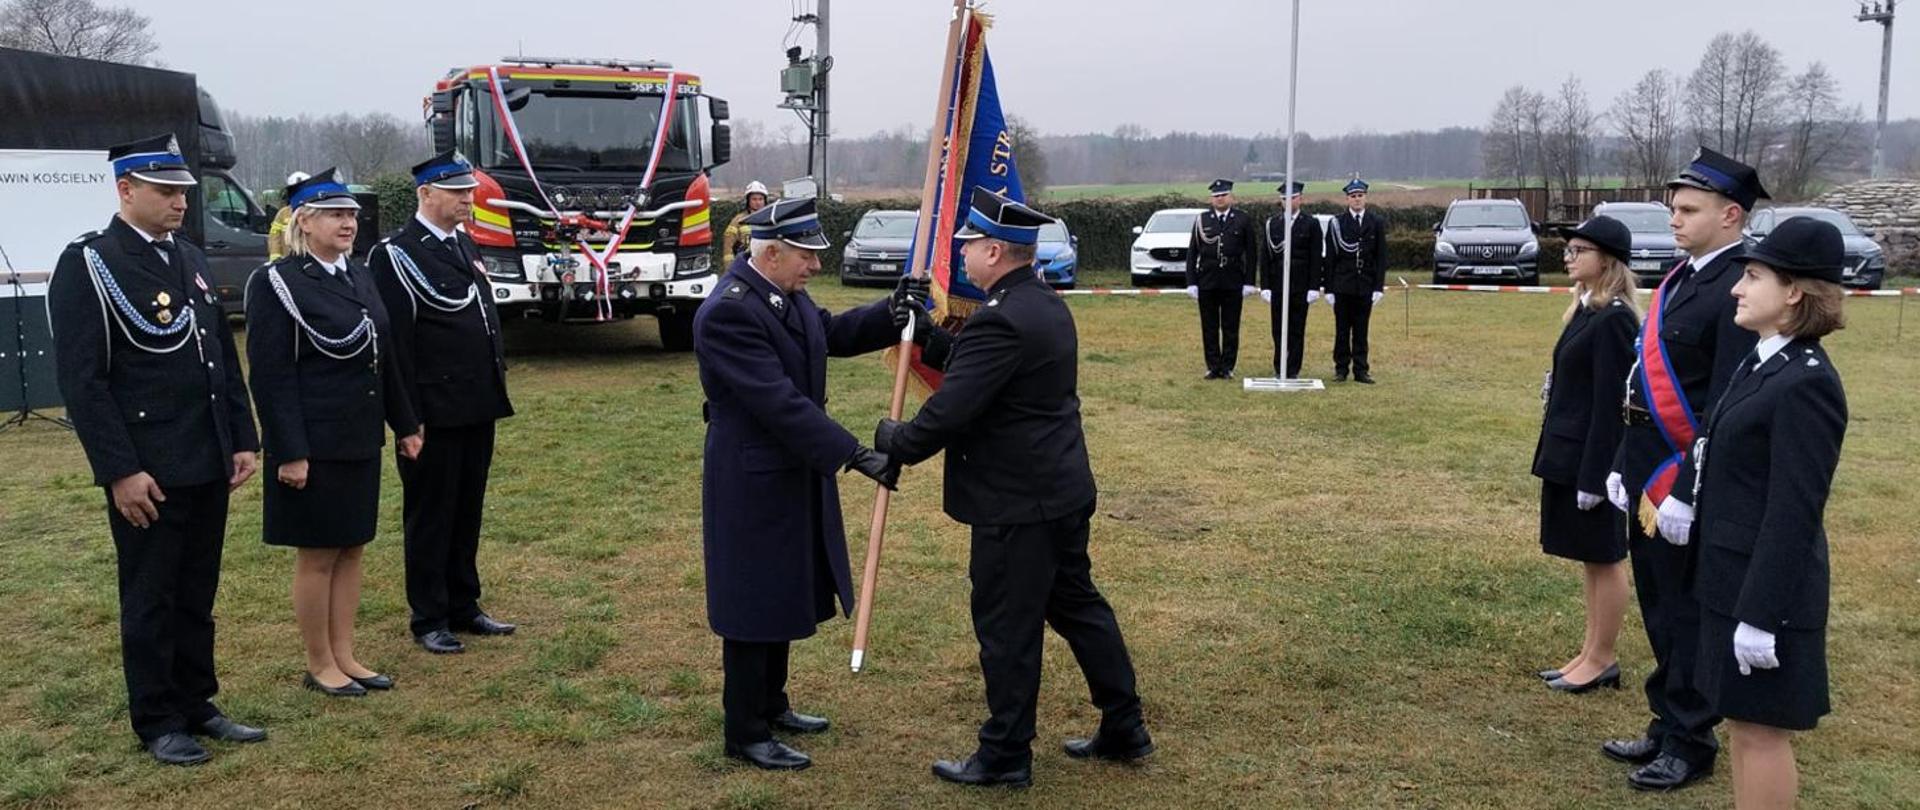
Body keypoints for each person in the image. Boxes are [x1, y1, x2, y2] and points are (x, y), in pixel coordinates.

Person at [876, 189, 1150, 789]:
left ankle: (1004, 754)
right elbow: (988, 366)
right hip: (1060, 490)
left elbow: (951, 411)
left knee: (1008, 627)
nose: (964, 254)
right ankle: (1125, 725)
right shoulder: (1041, 304)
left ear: (995, 250)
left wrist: (894, 439)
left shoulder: (1001, 316)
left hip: (1018, 504)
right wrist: (926, 333)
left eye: (969, 245)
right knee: (1077, 605)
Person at [48, 133, 267, 765]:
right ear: (126, 190)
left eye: (182, 192)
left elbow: (220, 358)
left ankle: (199, 701)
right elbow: (84, 382)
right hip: (148, 465)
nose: (179, 202)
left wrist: (243, 438)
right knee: (151, 595)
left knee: (198, 591)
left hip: (205, 455)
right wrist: (120, 470)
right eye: (166, 191)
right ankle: (158, 717)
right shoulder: (91, 263)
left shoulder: (190, 258)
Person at [691, 196, 917, 771]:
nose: (816, 265)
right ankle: (744, 730)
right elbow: (778, 403)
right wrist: (854, 453)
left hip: (789, 469)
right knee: (751, 599)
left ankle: (773, 703)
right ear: (770, 252)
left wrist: (892, 310)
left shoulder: (782, 293)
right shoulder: (729, 311)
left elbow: (830, 333)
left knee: (784, 586)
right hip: (751, 477)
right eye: (806, 255)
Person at [1602, 147, 1767, 792]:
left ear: (1731, 215)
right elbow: (1645, 377)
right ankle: (1665, 717)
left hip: (1687, 470)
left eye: (1688, 209)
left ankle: (1691, 736)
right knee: (1658, 600)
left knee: (1689, 608)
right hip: (1648, 459)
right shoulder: (1684, 276)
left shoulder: (1737, 286)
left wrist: (1689, 490)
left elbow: (1724, 401)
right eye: (1673, 207)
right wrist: (1623, 458)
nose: (1674, 218)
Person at [1687, 216, 1848, 809]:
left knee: (1761, 735)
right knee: (1742, 724)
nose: (1737, 287)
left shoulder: (1805, 384)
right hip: (1730, 576)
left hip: (1767, 593)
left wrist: (1761, 614)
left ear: (1795, 291)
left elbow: (1793, 512)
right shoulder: (1762, 360)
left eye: (1753, 276)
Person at [246, 169, 422, 698]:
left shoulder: (357, 273)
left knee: (352, 547)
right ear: (305, 221)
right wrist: (290, 451)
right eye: (335, 215)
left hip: (358, 435)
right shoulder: (278, 282)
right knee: (319, 554)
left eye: (351, 214)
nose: (349, 223)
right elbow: (271, 374)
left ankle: (346, 653)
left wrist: (405, 422)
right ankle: (319, 662)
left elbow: (382, 355)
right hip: (313, 442)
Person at [367, 150, 517, 656]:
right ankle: (428, 613)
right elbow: (396, 345)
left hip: (475, 401)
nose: (467, 200)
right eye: (456, 192)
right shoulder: (397, 254)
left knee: (467, 509)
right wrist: (407, 419)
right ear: (426, 193)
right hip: (432, 409)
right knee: (431, 513)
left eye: (469, 192)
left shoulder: (463, 244)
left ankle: (463, 602)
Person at [1530, 216, 1640, 694]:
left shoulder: (1615, 318)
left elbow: (1612, 406)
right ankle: (1589, 651)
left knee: (1605, 556)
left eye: (1579, 250)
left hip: (1591, 460)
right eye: (1569, 249)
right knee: (1589, 559)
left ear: (1607, 260)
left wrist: (1597, 477)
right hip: (1569, 451)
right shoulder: (1587, 309)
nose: (1569, 257)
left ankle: (1603, 658)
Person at [1184, 178, 1256, 379]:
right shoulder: (1202, 220)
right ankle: (1213, 366)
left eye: (1223, 195)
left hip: (1233, 280)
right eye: (1216, 196)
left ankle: (1228, 367)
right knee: (1209, 326)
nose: (1220, 199)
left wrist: (1249, 281)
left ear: (1231, 196)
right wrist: (1191, 282)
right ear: (1211, 199)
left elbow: (1251, 253)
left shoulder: (1242, 219)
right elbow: (1192, 253)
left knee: (1231, 326)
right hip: (1207, 280)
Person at [1322, 178, 1387, 383]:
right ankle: (1341, 369)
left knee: (1361, 329)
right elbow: (1330, 257)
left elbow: (1381, 257)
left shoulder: (1376, 222)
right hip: (1343, 285)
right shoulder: (1338, 223)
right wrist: (1329, 288)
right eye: (1353, 196)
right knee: (1342, 330)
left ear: (1365, 198)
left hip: (1365, 284)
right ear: (1347, 199)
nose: (1357, 200)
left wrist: (1378, 287)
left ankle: (1361, 370)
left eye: (1360, 196)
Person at [1257, 181, 1323, 379]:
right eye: (1285, 198)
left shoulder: (1311, 224)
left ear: (1301, 198)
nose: (1289, 201)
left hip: (1300, 284)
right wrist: (1265, 286)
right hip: (1278, 283)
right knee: (1277, 328)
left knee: (1296, 327)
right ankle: (1279, 366)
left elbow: (1315, 256)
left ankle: (1293, 368)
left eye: (1293, 197)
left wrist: (1314, 286)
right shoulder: (1273, 224)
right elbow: (1266, 256)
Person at [720, 180, 771, 259]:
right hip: (746, 263)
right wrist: (730, 267)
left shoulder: (771, 218)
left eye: (760, 199)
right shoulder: (739, 220)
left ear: (765, 201)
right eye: (754, 199)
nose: (758, 202)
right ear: (748, 201)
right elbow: (728, 244)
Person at [266, 171, 308, 262]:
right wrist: (275, 258)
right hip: (287, 262)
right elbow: (274, 237)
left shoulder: (316, 212)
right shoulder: (283, 213)